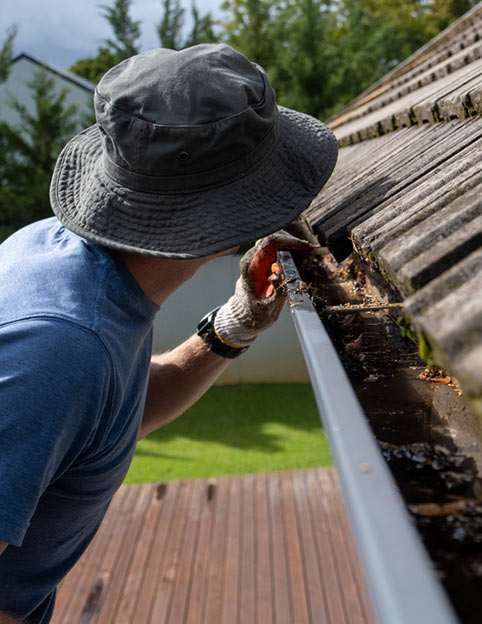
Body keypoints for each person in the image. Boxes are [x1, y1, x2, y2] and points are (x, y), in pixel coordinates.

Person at [0, 43, 337, 623]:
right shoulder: (60, 346)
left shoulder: (65, 265)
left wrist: (232, 326)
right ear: (231, 210)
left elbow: (106, 416)